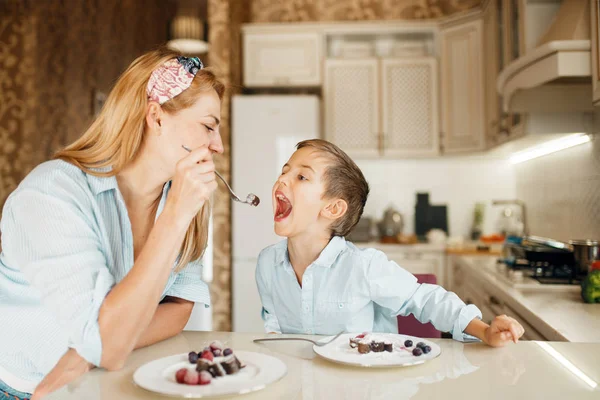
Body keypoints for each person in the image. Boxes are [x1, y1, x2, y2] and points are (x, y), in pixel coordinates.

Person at [0, 47, 224, 400]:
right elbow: (108, 346)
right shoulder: (51, 194)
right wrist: (175, 217)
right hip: (26, 392)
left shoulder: (181, 202)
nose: (219, 146)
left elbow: (178, 310)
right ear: (157, 117)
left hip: (101, 384)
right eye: (209, 126)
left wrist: (86, 354)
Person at [255, 139, 525, 346]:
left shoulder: (363, 266)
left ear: (333, 209)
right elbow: (274, 326)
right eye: (284, 171)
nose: (281, 179)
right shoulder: (267, 264)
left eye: (301, 177)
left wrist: (484, 330)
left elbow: (425, 299)